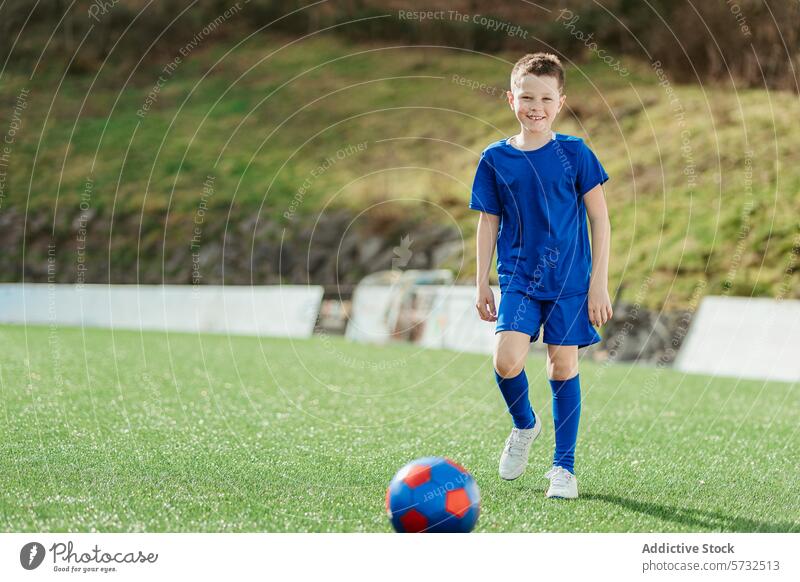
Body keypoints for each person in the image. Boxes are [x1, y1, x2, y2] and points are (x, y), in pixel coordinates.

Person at [469, 52, 613, 499]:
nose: (537, 106)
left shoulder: (575, 153)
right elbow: (488, 221)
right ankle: (524, 425)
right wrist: (480, 282)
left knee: (563, 364)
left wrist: (599, 282)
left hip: (571, 281)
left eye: (546, 98)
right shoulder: (495, 158)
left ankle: (563, 470)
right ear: (511, 99)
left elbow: (600, 220)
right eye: (527, 96)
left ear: (560, 101)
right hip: (518, 279)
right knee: (506, 360)